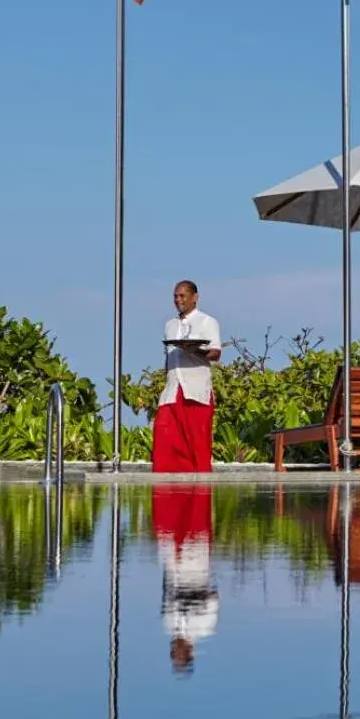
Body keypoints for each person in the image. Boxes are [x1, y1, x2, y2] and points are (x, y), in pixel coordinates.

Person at [152, 280, 222, 473]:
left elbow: (215, 353)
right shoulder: (170, 325)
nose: (178, 300)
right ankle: (166, 496)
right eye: (175, 296)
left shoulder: (207, 321)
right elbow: (168, 358)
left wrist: (193, 350)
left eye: (182, 296)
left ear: (195, 297)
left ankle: (198, 496)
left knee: (197, 446)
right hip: (172, 391)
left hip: (196, 391)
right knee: (164, 439)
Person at [153, 484, 218, 675]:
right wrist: (190, 603)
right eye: (177, 653)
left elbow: (167, 597)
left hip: (183, 562)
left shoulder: (167, 624)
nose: (175, 649)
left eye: (174, 653)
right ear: (189, 652)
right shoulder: (206, 627)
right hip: (192, 567)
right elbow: (213, 597)